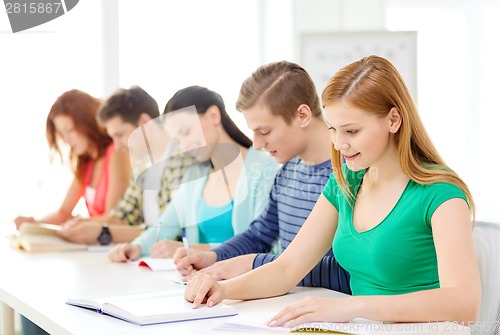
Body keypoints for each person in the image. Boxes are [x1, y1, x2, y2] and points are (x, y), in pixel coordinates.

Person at [184, 55, 481, 326]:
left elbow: (464, 304)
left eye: (351, 131)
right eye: (333, 130)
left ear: (393, 119)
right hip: (361, 326)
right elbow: (287, 268)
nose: (338, 145)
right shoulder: (345, 183)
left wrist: (353, 308)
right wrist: (223, 289)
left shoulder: (440, 192)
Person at [174, 61, 351, 293]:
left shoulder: (350, 172)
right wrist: (214, 256)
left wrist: (253, 264)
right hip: (289, 303)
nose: (256, 144)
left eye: (265, 131)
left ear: (302, 115)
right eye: (253, 132)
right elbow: (261, 234)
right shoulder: (289, 170)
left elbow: (348, 270)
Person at [108, 85, 279, 262]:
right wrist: (136, 246)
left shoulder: (264, 169)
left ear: (213, 115)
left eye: (186, 132)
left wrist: (194, 250)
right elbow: (165, 225)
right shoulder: (195, 175)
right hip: (200, 283)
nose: (184, 146)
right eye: (178, 140)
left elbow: (265, 244)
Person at [57, 85, 194, 244]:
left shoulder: (183, 159)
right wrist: (87, 225)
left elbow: (171, 232)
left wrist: (103, 232)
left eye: (120, 135)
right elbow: (123, 216)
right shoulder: (143, 166)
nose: (117, 146)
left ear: (145, 123)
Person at [14, 89, 130, 228]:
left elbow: (113, 219)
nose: (66, 139)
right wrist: (34, 224)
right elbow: (63, 213)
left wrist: (77, 224)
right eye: (62, 133)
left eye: (69, 130)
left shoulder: (117, 153)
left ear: (88, 123)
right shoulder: (86, 163)